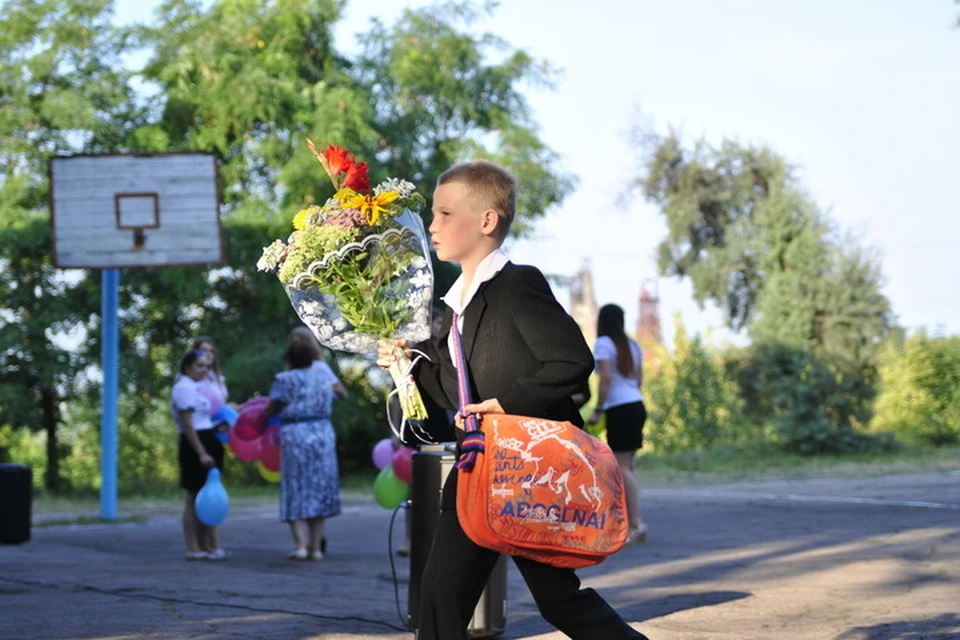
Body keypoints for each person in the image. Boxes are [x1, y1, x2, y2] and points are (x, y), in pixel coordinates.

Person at [377, 161, 650, 640]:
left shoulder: (518, 284)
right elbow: (448, 391)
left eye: (443, 214)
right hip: (474, 470)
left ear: (486, 221)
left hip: (528, 474)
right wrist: (406, 368)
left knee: (560, 602)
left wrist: (507, 404)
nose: (433, 226)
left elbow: (571, 361)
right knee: (440, 597)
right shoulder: (455, 305)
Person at [264, 330, 342, 561]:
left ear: (288, 359)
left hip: (295, 434)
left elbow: (270, 409)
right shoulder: (324, 380)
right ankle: (316, 548)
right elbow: (336, 396)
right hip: (322, 433)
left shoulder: (283, 380)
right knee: (320, 486)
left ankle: (300, 544)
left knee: (296, 486)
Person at [587, 304, 649, 544]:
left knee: (622, 467)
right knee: (629, 466)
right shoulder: (632, 345)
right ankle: (634, 522)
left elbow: (606, 379)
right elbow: (639, 379)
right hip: (636, 404)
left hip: (619, 407)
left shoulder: (603, 343)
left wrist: (599, 408)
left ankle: (636, 524)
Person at [172, 348, 228, 561]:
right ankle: (193, 547)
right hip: (194, 443)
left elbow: (206, 417)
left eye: (206, 366)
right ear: (188, 366)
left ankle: (207, 545)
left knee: (208, 496)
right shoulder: (183, 387)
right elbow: (187, 424)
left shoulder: (198, 387)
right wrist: (201, 452)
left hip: (209, 438)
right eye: (199, 366)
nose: (204, 370)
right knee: (193, 496)